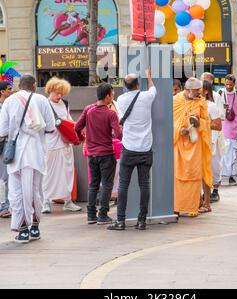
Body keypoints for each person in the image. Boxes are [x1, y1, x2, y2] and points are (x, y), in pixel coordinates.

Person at [0, 75, 55, 243]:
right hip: (36, 153)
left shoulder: (9, 101)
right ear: (34, 85)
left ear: (19, 85)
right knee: (35, 191)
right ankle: (35, 228)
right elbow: (51, 127)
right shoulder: (42, 100)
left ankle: (23, 230)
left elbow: (2, 131)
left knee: (16, 192)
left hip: (16, 155)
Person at [108, 69, 156, 231]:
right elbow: (152, 88)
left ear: (125, 86)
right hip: (145, 147)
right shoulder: (147, 96)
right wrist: (149, 76)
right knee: (144, 184)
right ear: (138, 84)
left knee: (123, 185)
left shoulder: (120, 99)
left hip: (128, 147)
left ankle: (120, 221)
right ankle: (142, 220)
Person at [75, 83, 122, 225]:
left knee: (93, 184)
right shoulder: (111, 113)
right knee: (107, 184)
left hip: (92, 154)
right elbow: (119, 134)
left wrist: (83, 138)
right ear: (107, 95)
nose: (112, 97)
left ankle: (91, 215)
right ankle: (103, 215)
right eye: (112, 95)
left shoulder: (88, 109)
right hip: (107, 154)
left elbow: (77, 127)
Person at [173, 77, 212, 217]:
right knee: (177, 175)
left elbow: (207, 122)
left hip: (195, 144)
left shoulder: (200, 101)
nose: (199, 93)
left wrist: (198, 122)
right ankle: (177, 206)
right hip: (179, 143)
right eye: (196, 91)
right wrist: (179, 130)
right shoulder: (176, 100)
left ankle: (192, 207)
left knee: (194, 175)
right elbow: (169, 121)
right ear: (188, 90)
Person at [42, 77, 82, 214]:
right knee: (49, 172)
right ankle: (45, 201)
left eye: (61, 93)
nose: (59, 96)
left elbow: (69, 119)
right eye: (57, 92)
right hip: (51, 143)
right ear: (50, 90)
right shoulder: (44, 103)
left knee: (67, 171)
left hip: (65, 142)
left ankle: (68, 201)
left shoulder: (65, 103)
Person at [219, 74, 237, 186]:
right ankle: (220, 177)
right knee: (222, 153)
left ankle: (232, 177)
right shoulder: (220, 94)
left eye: (230, 85)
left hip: (234, 129)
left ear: (234, 84)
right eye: (226, 84)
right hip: (221, 128)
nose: (228, 86)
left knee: (233, 154)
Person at [201, 72, 225, 201]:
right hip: (200, 138)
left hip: (214, 136)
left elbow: (219, 118)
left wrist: (204, 124)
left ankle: (215, 189)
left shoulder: (215, 98)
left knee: (214, 164)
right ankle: (204, 193)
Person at [0, 81, 13, 218]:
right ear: (2, 91)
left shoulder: (6, 106)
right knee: (4, 177)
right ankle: (3, 207)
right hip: (2, 145)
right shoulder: (3, 108)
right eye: (9, 89)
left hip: (4, 144)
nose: (11, 91)